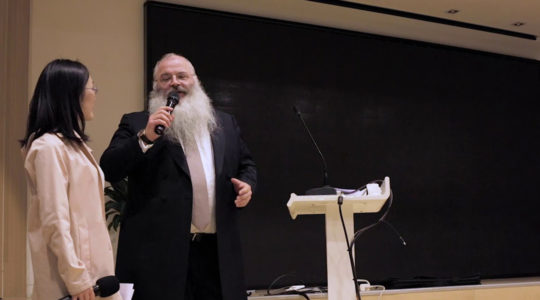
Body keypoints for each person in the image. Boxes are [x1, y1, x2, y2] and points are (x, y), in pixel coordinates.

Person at [100, 53, 257, 300]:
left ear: (195, 81)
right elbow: (110, 168)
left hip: (217, 255)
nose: (175, 82)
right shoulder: (137, 122)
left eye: (182, 76)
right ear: (156, 87)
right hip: (161, 259)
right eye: (166, 78)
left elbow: (246, 165)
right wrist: (145, 138)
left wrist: (247, 185)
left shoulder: (225, 124)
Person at [21, 59, 121, 300]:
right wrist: (77, 278)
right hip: (73, 281)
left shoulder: (73, 145)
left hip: (92, 274)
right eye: (92, 89)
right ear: (72, 95)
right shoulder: (48, 147)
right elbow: (55, 219)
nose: (95, 95)